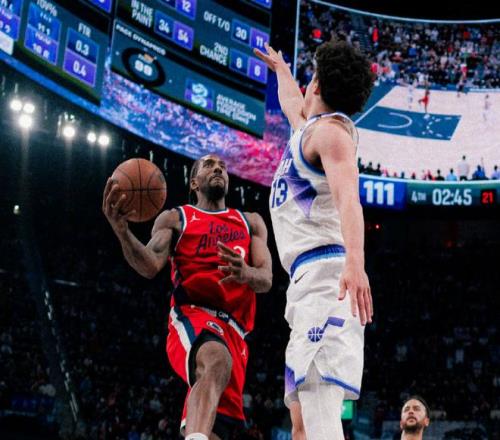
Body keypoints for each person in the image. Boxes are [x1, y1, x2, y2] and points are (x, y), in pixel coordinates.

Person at [102, 154, 273, 440]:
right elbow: (149, 264)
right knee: (216, 359)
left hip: (235, 332)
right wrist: (123, 233)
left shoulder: (251, 222)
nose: (218, 168)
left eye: (223, 166)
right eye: (209, 165)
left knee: (218, 428)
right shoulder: (176, 218)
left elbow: (266, 279)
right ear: (194, 183)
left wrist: (246, 273)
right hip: (193, 315)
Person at [255, 41, 373, 440]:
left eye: (310, 78)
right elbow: (293, 104)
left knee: (319, 405)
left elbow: (348, 199)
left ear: (318, 85)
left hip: (327, 276)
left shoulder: (332, 135)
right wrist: (282, 71)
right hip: (304, 283)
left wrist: (355, 261)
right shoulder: (308, 130)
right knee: (301, 424)